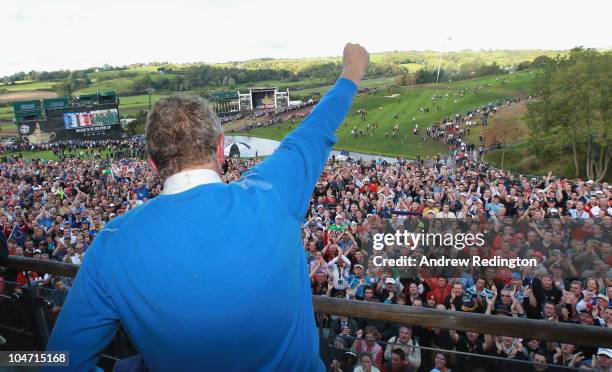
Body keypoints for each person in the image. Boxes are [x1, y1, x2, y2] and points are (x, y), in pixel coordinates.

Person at [45, 43, 370, 371]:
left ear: (153, 165)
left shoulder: (112, 243)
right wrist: (351, 72)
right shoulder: (272, 192)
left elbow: (59, 362)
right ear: (220, 148)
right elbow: (313, 132)